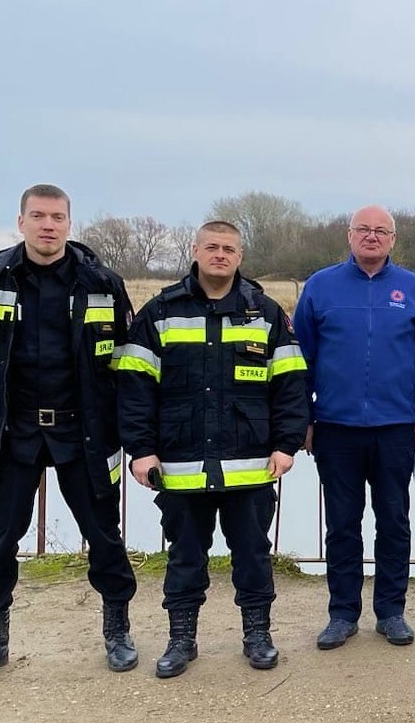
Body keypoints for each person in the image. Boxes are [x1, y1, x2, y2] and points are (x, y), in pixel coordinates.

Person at [116, 220, 307, 678]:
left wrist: (287, 445)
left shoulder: (265, 313)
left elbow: (291, 385)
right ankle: (181, 639)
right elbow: (135, 388)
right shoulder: (161, 311)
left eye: (229, 249)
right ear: (195, 250)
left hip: (251, 466)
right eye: (212, 247)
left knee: (253, 557)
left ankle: (258, 635)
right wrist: (141, 450)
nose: (220, 255)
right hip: (181, 465)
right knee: (184, 558)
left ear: (240, 256)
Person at [0, 184, 138, 684]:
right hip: (11, 432)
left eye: (57, 217)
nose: (48, 225)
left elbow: (125, 360)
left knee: (104, 536)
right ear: (20, 221)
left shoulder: (103, 284)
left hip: (84, 431)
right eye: (39, 216)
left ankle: (117, 632)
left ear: (69, 223)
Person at [293, 206, 415, 650]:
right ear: (349, 234)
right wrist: (304, 418)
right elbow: (299, 359)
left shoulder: (413, 289)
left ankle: (391, 611)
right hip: (335, 426)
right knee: (342, 523)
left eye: (381, 231)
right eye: (364, 229)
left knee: (393, 521)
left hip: (396, 427)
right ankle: (342, 614)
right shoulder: (321, 286)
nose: (372, 236)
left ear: (393, 239)